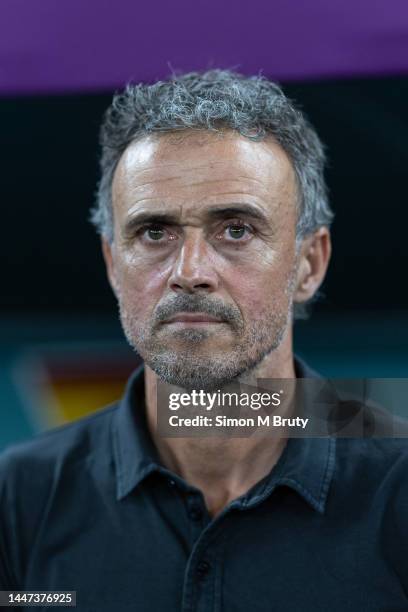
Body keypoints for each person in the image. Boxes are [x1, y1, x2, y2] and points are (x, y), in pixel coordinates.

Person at [0, 70, 407, 611]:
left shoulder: (398, 488)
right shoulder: (19, 498)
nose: (189, 271)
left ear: (310, 264)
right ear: (113, 266)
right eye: (154, 233)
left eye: (235, 229)